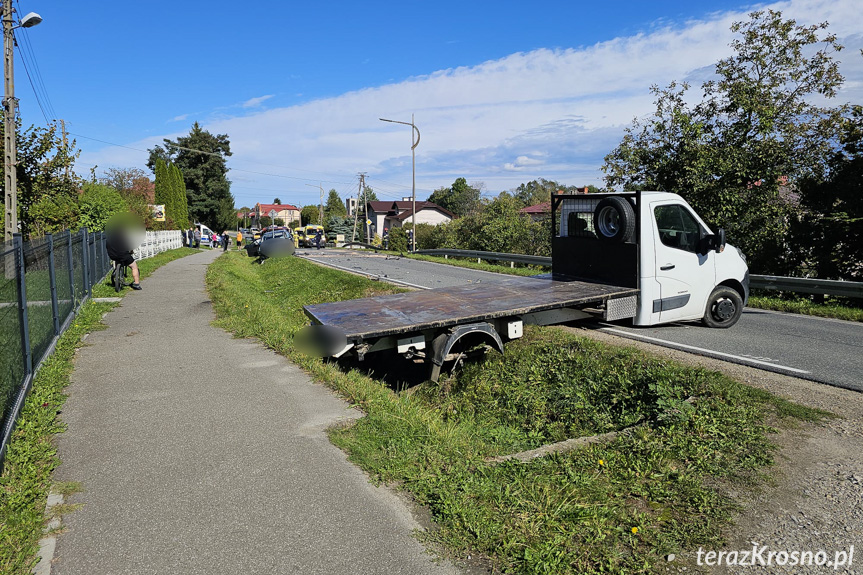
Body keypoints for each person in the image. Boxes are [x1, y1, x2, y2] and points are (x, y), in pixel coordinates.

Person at [105, 220, 142, 290]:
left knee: (117, 259)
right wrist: (131, 251)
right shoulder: (124, 236)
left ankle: (116, 273)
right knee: (134, 267)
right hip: (123, 255)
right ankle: (136, 284)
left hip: (112, 255)